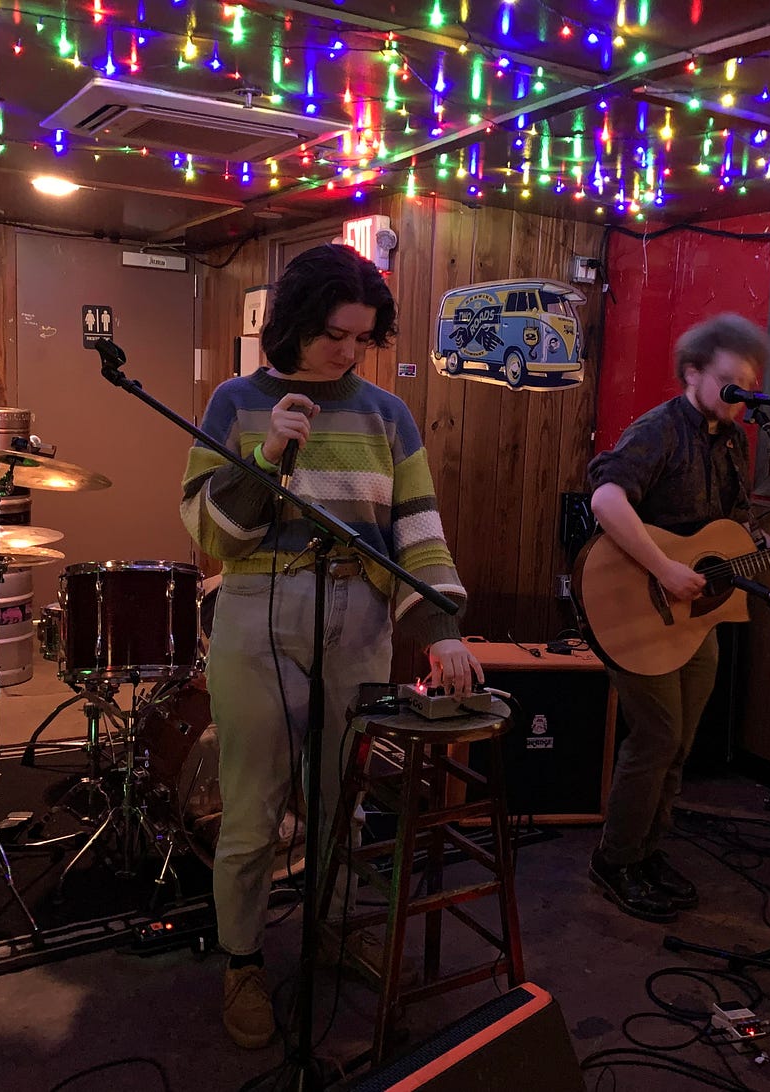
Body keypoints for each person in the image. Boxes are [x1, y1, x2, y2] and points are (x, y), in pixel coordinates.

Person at [180, 244, 484, 1049]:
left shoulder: (389, 414)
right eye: (333, 336)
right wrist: (266, 455)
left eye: (361, 337)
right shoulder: (235, 402)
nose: (348, 353)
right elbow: (216, 535)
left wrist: (443, 630)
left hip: (361, 615)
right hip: (256, 610)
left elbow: (417, 528)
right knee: (252, 812)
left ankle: (333, 927)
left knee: (342, 801)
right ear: (296, 323)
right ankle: (243, 962)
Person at [585, 313, 770, 923]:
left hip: (696, 618)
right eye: (729, 384)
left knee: (682, 742)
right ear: (692, 373)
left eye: (748, 388)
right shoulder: (659, 430)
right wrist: (665, 569)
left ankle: (646, 851)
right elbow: (606, 496)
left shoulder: (733, 445)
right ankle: (614, 861)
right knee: (658, 736)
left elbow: (732, 533)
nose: (740, 399)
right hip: (635, 606)